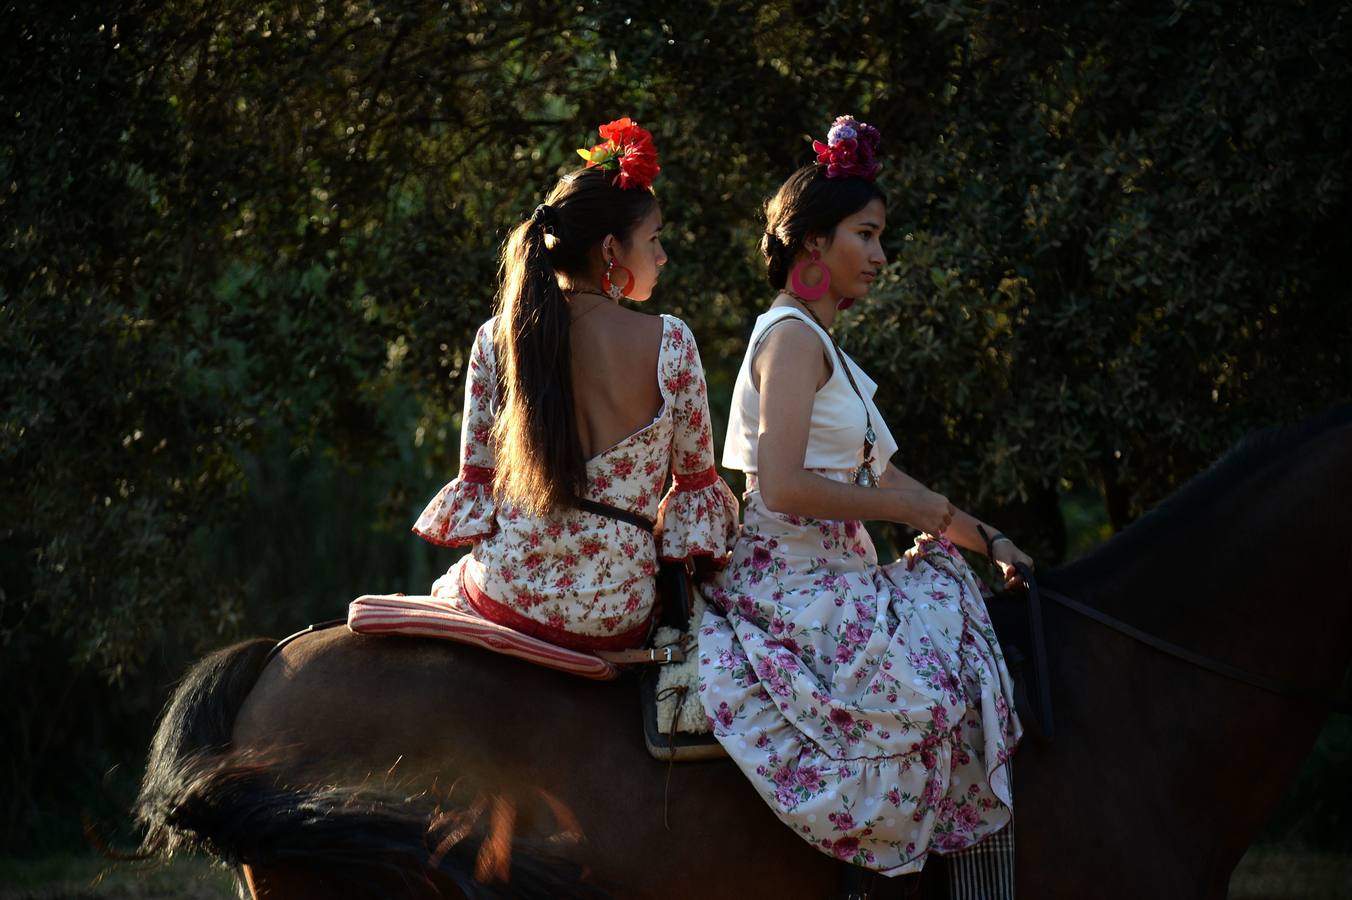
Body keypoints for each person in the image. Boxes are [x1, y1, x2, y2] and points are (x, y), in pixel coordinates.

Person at [697, 116, 1031, 886]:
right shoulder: (790, 338)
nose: (880, 256)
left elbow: (893, 483)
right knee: (941, 674)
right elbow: (782, 484)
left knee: (961, 630)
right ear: (815, 242)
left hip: (838, 576)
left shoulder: (822, 344)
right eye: (867, 235)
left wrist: (990, 539)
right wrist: (906, 516)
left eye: (880, 237)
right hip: (792, 585)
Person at [412, 118, 738, 651]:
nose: (662, 256)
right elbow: (695, 491)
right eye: (654, 239)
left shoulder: (497, 337)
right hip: (613, 607)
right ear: (611, 249)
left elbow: (478, 482)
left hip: (506, 590)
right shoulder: (671, 343)